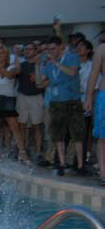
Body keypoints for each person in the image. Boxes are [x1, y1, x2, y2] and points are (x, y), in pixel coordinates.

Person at [36, 36, 85, 176]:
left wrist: (56, 63)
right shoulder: (48, 63)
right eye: (48, 49)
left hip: (73, 101)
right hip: (56, 102)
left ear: (60, 47)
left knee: (77, 134)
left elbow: (72, 72)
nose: (50, 52)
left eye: (53, 49)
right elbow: (41, 84)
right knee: (58, 135)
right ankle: (62, 164)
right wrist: (38, 66)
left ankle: (80, 165)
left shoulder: (72, 57)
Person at [0, 46, 28, 161]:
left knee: (14, 126)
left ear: (7, 55)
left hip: (9, 99)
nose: (0, 55)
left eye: (2, 53)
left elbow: (8, 75)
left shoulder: (12, 67)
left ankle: (22, 152)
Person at [16, 43, 44, 159]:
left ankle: (38, 152)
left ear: (35, 51)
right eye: (26, 49)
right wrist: (17, 56)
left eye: (30, 49)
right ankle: (22, 150)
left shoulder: (41, 65)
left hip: (36, 97)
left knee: (37, 126)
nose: (27, 51)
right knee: (21, 126)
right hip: (22, 97)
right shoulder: (21, 65)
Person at [85, 42, 105, 184]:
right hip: (104, 95)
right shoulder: (102, 48)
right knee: (102, 137)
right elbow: (94, 72)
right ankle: (103, 174)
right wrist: (88, 96)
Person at [77, 40, 95, 164]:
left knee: (83, 135)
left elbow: (95, 87)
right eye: (78, 47)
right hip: (71, 101)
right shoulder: (73, 64)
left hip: (85, 102)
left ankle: (81, 162)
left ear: (88, 50)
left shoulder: (92, 66)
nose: (79, 49)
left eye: (82, 47)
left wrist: (90, 103)